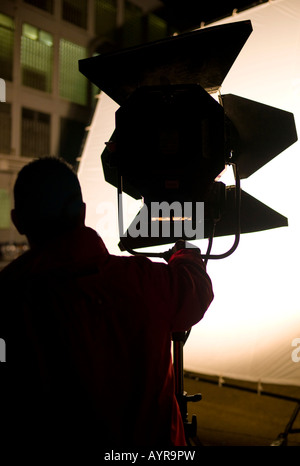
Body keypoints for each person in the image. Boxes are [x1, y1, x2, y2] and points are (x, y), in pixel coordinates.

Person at [0, 156, 213, 448]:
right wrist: (185, 250)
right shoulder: (144, 281)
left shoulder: (8, 297)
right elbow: (195, 290)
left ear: (18, 220)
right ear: (83, 212)